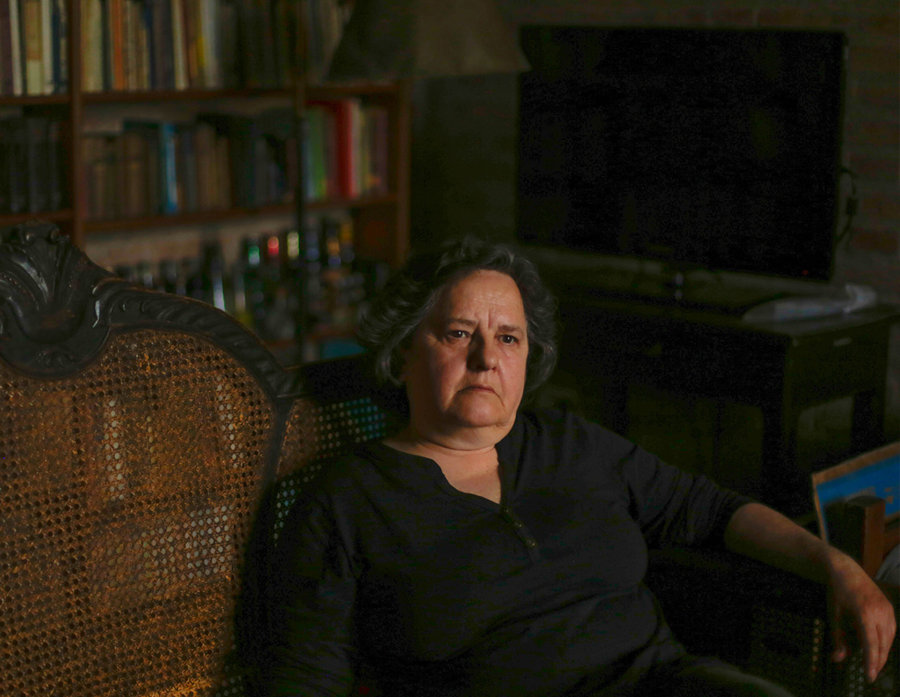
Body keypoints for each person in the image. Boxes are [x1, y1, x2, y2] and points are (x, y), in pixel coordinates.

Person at [262, 238, 895, 696]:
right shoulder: (346, 500)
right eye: (458, 333)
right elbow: (306, 679)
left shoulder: (571, 444)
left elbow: (710, 509)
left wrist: (836, 566)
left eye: (508, 337)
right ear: (403, 353)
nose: (487, 358)